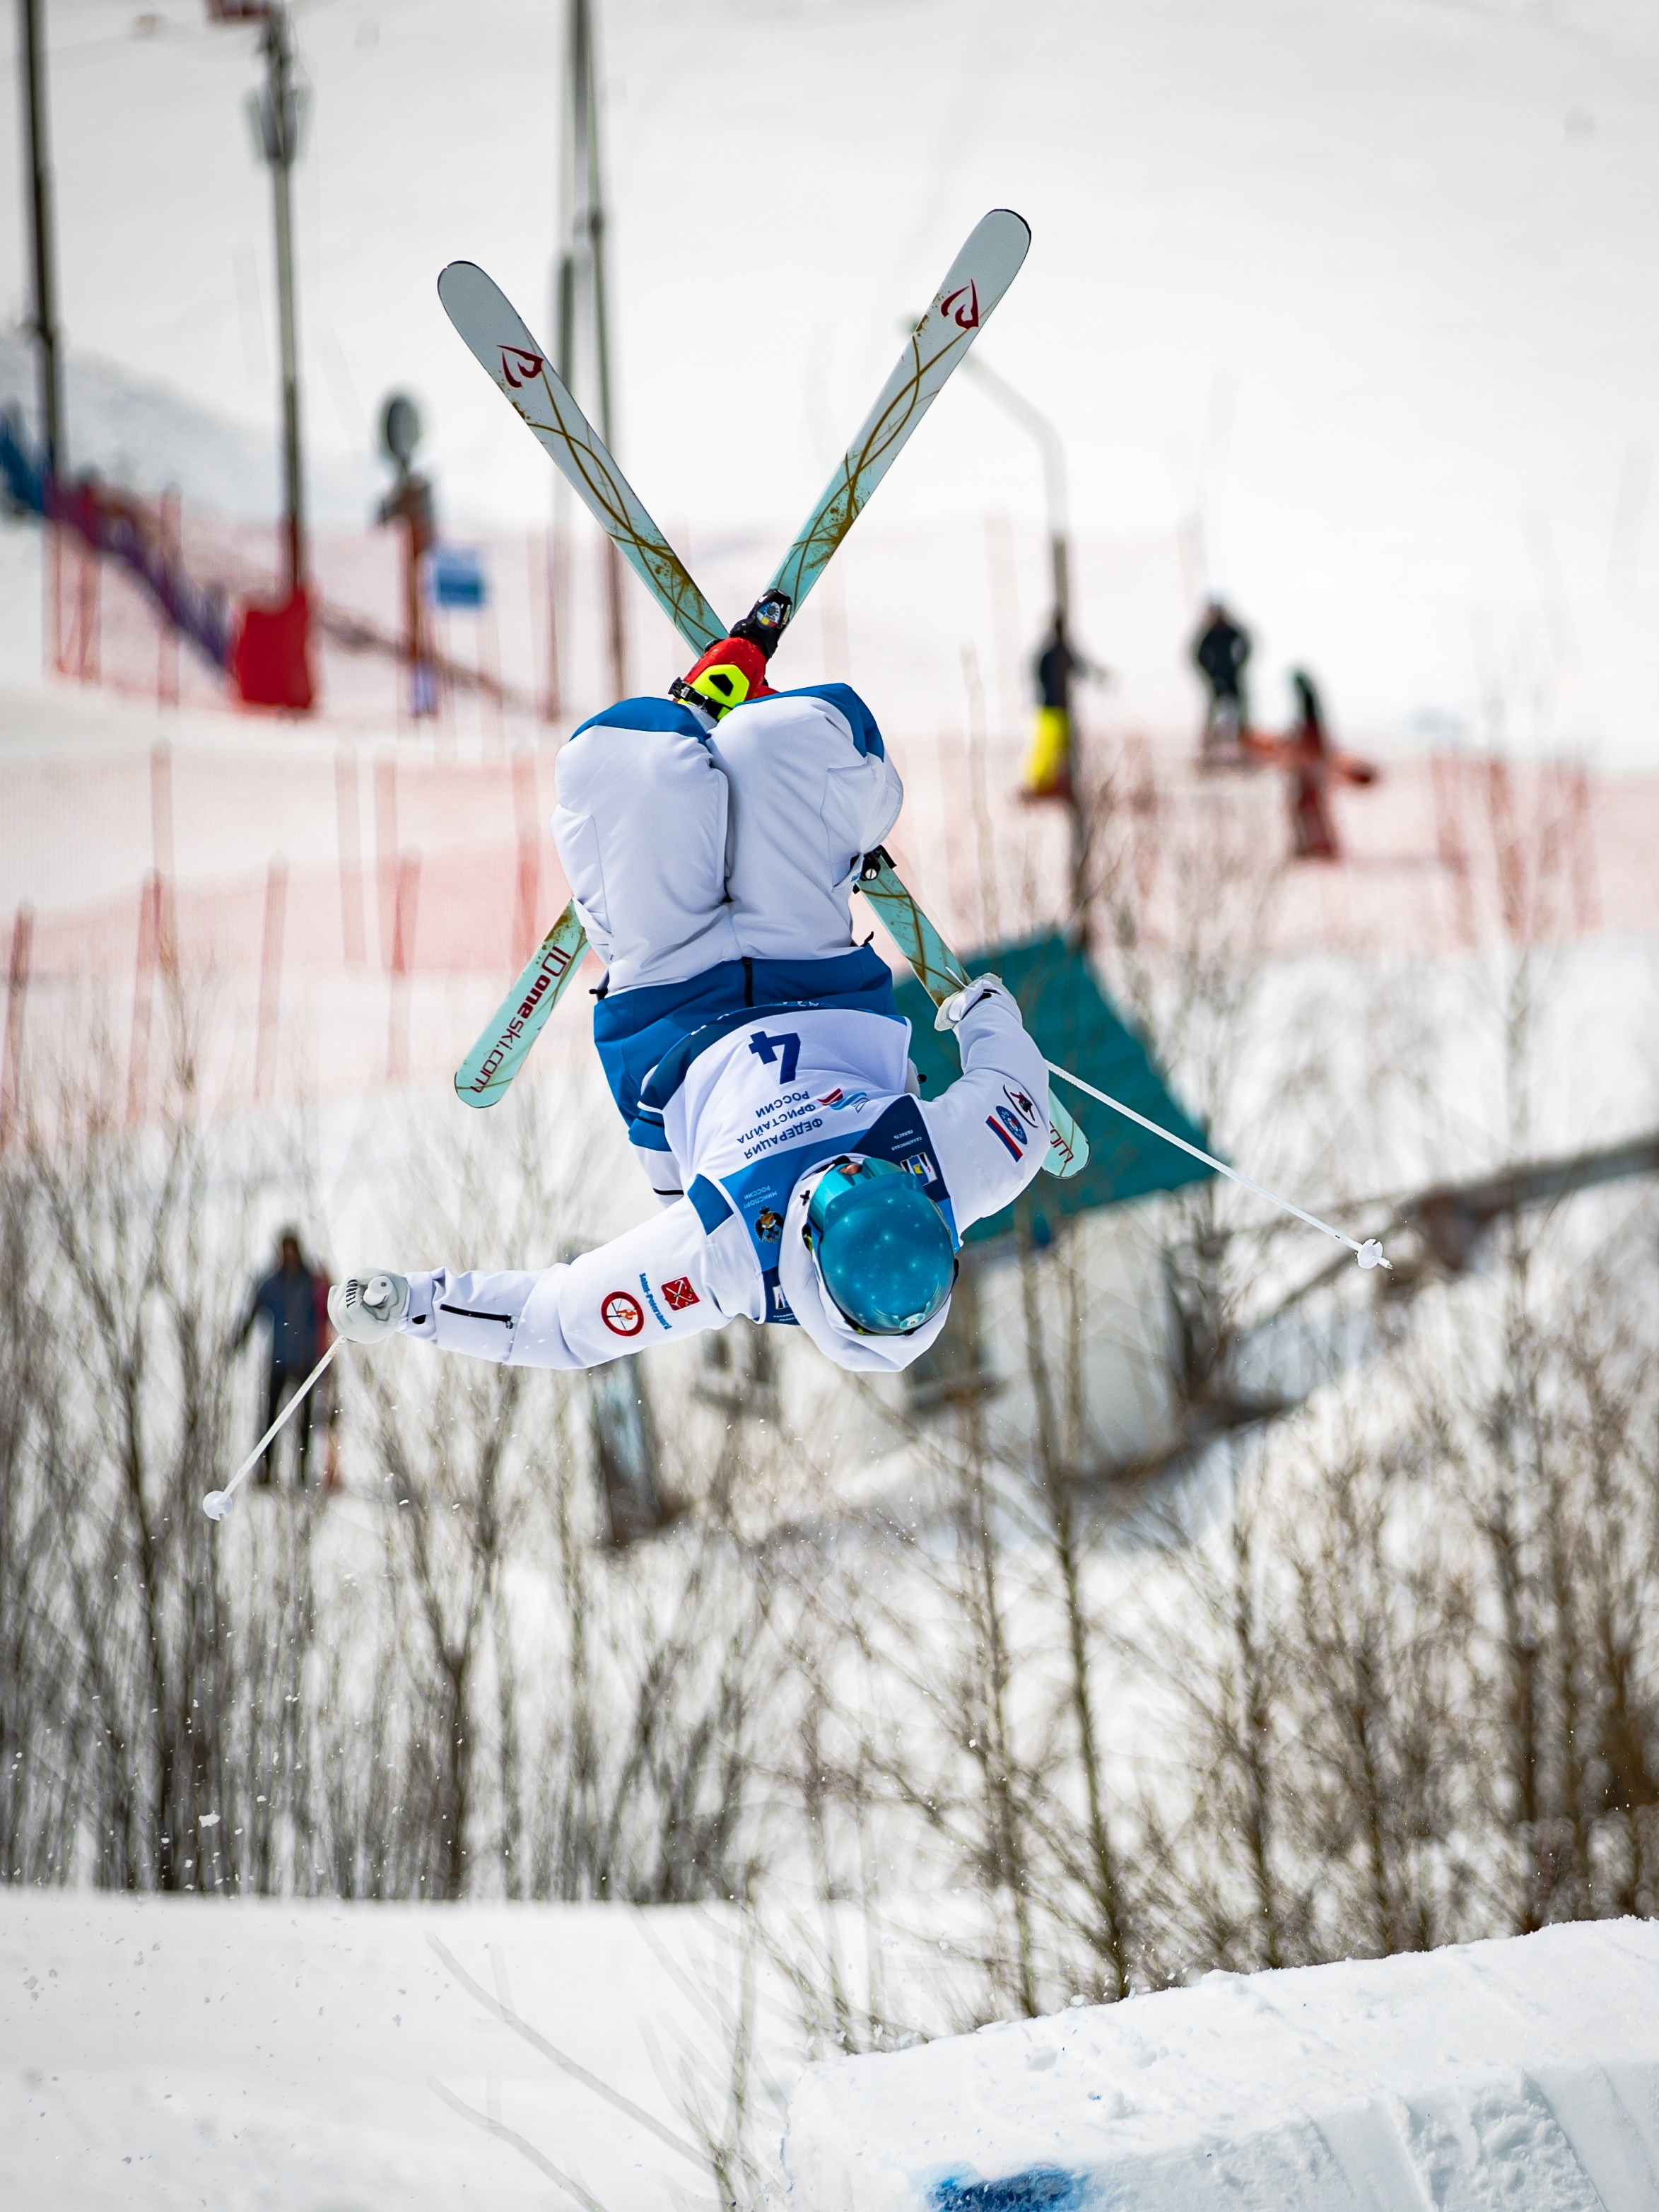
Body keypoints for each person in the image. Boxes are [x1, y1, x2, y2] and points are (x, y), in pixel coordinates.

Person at [328, 616, 1053, 1380]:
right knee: (792, 737)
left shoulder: (726, 1255)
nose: (849, 1164)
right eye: (870, 1169)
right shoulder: (961, 1165)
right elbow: (1020, 1097)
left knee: (622, 763)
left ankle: (690, 741)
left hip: (671, 1010)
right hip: (813, 968)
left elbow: (559, 1323)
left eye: (834, 1183)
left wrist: (414, 1303)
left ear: (807, 1243)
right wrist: (982, 1011)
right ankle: (756, 746)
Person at [235, 1228, 328, 1484]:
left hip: (306, 1359)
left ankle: (302, 1471)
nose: (289, 1254)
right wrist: (240, 1339)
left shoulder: (312, 1282)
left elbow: (328, 1311)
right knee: (270, 1417)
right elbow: (254, 1310)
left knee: (305, 1420)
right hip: (279, 1359)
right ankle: (266, 1470)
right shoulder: (272, 1283)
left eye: (292, 1249)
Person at [1021, 610, 1106, 803]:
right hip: (1051, 708)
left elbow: (1080, 668)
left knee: (1062, 747)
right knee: (1046, 746)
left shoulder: (1058, 652)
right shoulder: (1053, 653)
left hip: (1058, 709)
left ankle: (1057, 782)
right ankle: (1037, 783)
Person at [1192, 599, 1252, 761]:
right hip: (1216, 677)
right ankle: (1207, 745)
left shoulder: (1231, 631)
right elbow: (1197, 655)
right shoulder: (1209, 634)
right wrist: (1209, 673)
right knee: (1213, 710)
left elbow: (1246, 645)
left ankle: (1245, 742)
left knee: (1241, 709)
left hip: (1231, 675)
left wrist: (1238, 666)